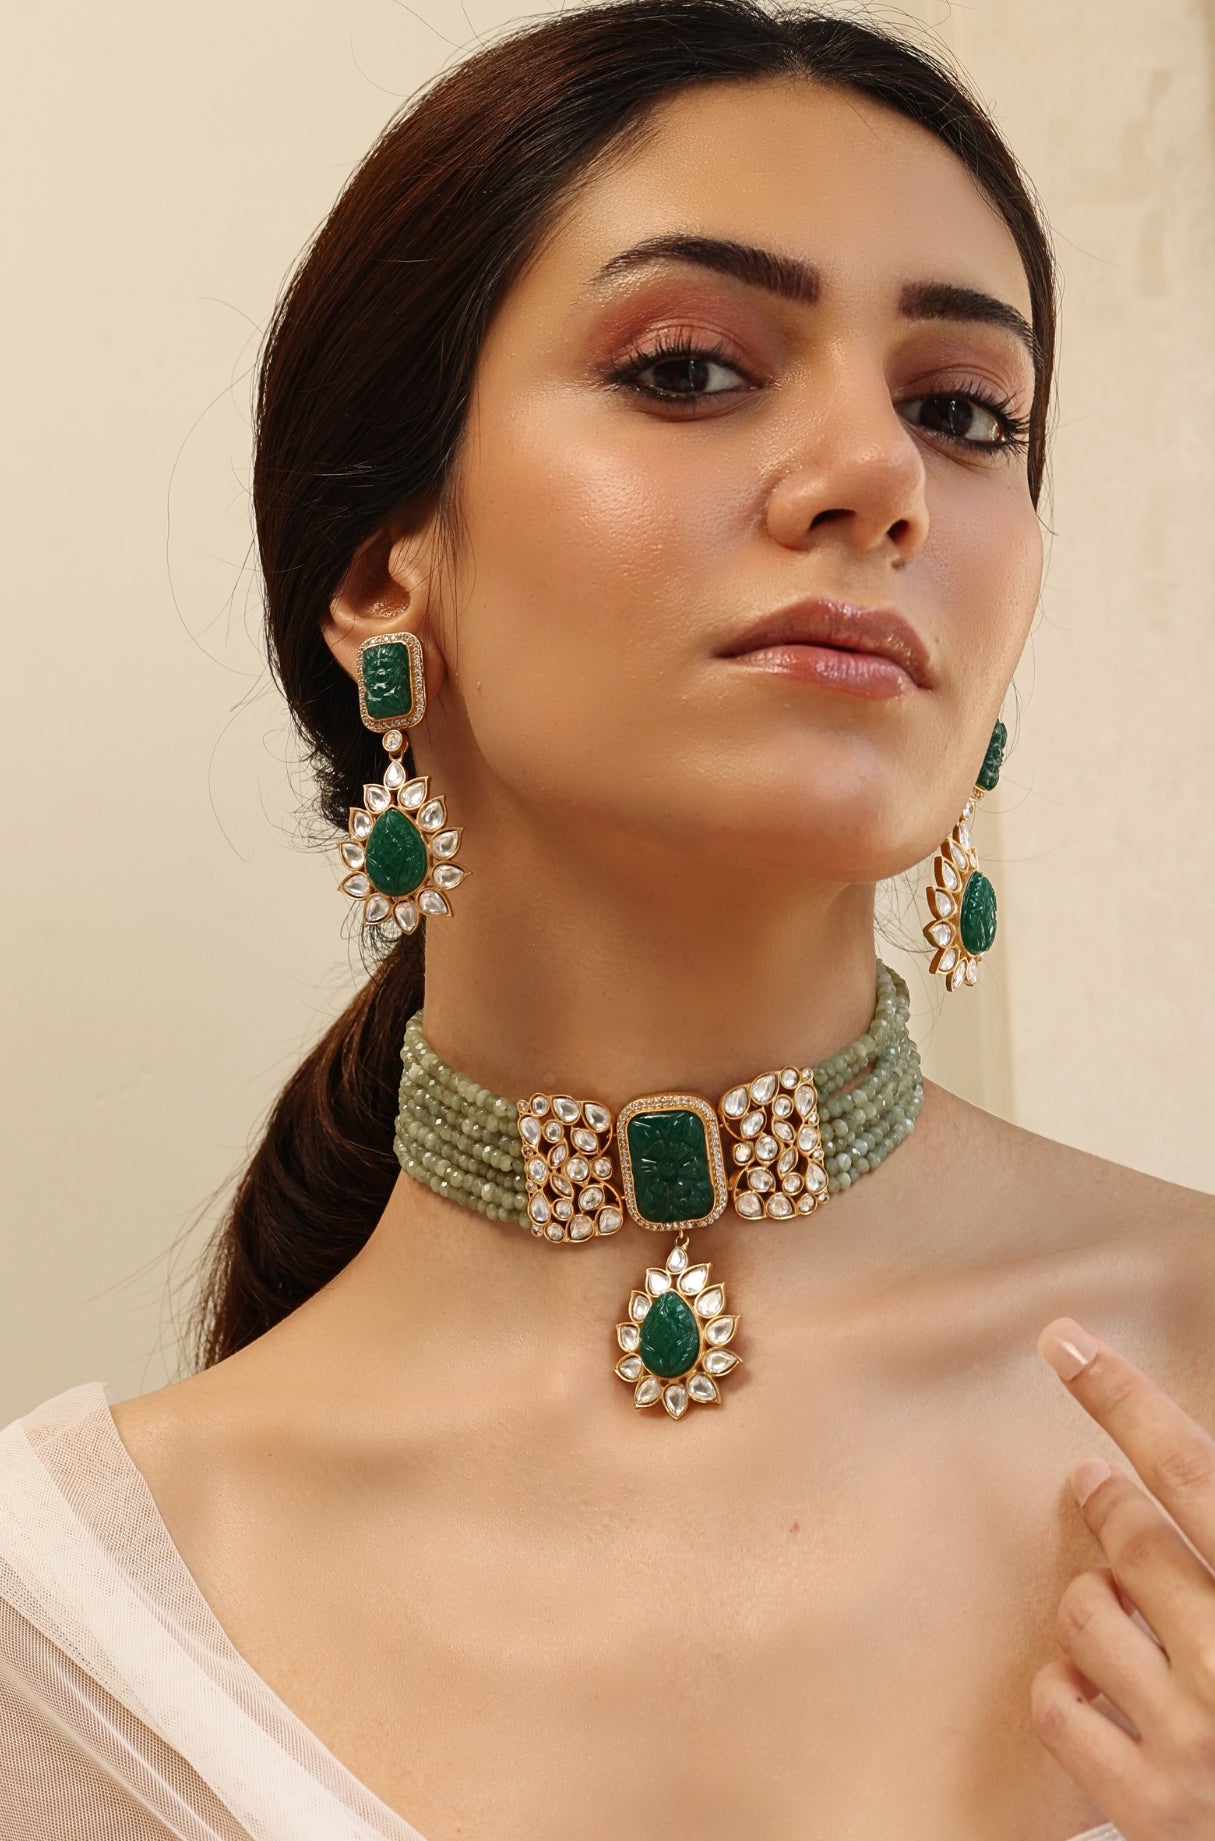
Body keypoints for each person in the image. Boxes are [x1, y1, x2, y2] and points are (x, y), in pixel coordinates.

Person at [3, 3, 1214, 1837]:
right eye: (689, 368)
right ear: (385, 570)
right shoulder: (71, 1626)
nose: (880, 477)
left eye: (963, 412)